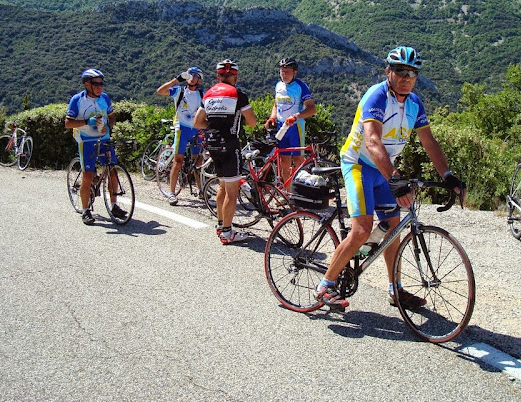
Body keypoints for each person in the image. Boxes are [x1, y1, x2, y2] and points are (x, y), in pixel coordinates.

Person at [314, 46, 466, 310]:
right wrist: (396, 180)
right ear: (388, 71)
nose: (406, 77)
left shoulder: (415, 103)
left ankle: (395, 290)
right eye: (400, 71)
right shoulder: (377, 96)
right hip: (358, 164)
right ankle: (326, 284)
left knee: (393, 229)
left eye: (412, 72)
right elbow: (372, 141)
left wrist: (448, 175)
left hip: (384, 168)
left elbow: (429, 142)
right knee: (361, 230)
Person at [194, 59, 257, 244]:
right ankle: (228, 233)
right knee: (232, 189)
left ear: (218, 75)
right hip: (229, 143)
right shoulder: (238, 94)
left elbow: (198, 122)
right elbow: (252, 122)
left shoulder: (209, 94)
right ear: (235, 76)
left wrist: (213, 125)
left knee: (223, 185)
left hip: (211, 143)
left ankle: (221, 225)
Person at [65, 68, 127, 225]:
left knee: (112, 171)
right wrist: (87, 122)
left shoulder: (104, 98)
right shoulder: (77, 100)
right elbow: (68, 123)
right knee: (88, 175)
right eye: (96, 84)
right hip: (86, 140)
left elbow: (112, 116)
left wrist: (110, 126)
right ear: (87, 84)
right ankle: (86, 211)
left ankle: (114, 206)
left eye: (101, 83)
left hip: (104, 138)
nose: (100, 86)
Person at [156, 66, 205, 205]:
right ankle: (172, 193)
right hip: (181, 129)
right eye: (190, 74)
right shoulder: (180, 91)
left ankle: (201, 190)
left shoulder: (202, 94)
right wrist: (177, 79)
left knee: (198, 162)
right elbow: (160, 91)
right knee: (178, 162)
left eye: (195, 75)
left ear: (199, 79)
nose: (191, 77)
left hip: (196, 129)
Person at [264, 57, 316, 187]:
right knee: (284, 161)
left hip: (296, 127)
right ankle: (287, 194)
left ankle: (301, 193)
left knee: (298, 160)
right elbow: (276, 105)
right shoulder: (278, 85)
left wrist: (296, 116)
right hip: (282, 126)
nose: (284, 75)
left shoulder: (301, 86)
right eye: (282, 71)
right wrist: (272, 118)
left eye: (287, 72)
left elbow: (312, 109)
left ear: (295, 73)